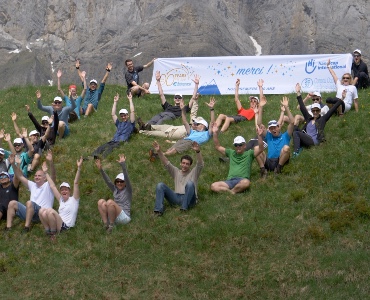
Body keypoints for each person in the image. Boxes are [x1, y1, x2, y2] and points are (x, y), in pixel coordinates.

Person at [6, 150, 56, 232]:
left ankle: (27, 227)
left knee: (29, 203)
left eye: (39, 176)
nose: (36, 177)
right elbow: (19, 176)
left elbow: (53, 175)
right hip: (30, 211)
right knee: (12, 203)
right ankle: (8, 227)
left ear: (45, 178)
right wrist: (12, 164)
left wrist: (51, 162)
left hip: (41, 214)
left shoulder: (48, 185)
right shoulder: (32, 185)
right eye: (35, 176)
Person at [292, 83, 346, 157]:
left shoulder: (322, 119)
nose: (315, 112)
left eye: (317, 110)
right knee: (295, 130)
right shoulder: (308, 118)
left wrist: (342, 98)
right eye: (313, 110)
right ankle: (300, 146)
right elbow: (301, 106)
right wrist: (298, 92)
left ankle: (296, 151)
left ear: (320, 111)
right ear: (311, 110)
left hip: (313, 141)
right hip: (306, 137)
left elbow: (333, 109)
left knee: (296, 133)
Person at [153, 140, 204, 216]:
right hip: (176, 197)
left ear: (190, 165)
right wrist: (159, 151)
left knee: (190, 183)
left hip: (190, 199)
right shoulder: (176, 172)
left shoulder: (194, 173)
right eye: (183, 163)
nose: (185, 165)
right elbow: (166, 163)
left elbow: (200, 164)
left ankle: (184, 208)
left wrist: (198, 151)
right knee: (160, 185)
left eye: (187, 164)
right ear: (180, 163)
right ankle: (158, 210)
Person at [210, 123, 265, 194]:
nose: (238, 146)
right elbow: (217, 146)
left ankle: (231, 192)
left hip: (242, 180)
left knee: (246, 183)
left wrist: (259, 136)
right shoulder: (231, 153)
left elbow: (261, 149)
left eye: (240, 144)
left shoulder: (249, 154)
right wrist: (214, 133)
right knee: (213, 186)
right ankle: (232, 192)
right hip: (230, 181)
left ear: (245, 145)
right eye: (236, 145)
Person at [38, 157, 82, 241]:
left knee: (50, 211)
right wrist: (45, 172)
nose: (64, 191)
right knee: (41, 211)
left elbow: (76, 183)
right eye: (62, 189)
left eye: (66, 189)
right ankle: (48, 231)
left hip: (66, 226)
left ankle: (53, 234)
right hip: (58, 223)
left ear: (69, 191)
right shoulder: (61, 199)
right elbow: (52, 186)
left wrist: (79, 168)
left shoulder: (74, 200)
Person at [95, 154, 132, 233]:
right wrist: (101, 170)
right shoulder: (115, 189)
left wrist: (123, 165)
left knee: (110, 202)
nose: (119, 183)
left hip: (124, 217)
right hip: (115, 215)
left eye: (121, 181)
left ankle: (111, 226)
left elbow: (127, 177)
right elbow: (108, 181)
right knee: (100, 201)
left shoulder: (128, 190)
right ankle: (106, 224)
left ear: (125, 183)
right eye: (117, 181)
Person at [92, 93, 135, 158]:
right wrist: (115, 102)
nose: (123, 117)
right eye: (122, 116)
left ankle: (102, 158)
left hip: (121, 142)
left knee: (111, 148)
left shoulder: (131, 124)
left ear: (128, 115)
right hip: (113, 141)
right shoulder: (119, 124)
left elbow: (132, 111)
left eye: (125, 115)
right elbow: (113, 114)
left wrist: (130, 100)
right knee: (102, 147)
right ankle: (91, 157)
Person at [260, 97, 294, 174]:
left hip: (280, 160)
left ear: (279, 127)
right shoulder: (268, 136)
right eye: (271, 128)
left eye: (275, 127)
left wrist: (286, 107)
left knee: (286, 148)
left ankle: (278, 169)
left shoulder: (286, 135)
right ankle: (263, 170)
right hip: (269, 161)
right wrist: (261, 107)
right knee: (257, 150)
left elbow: (292, 122)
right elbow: (259, 124)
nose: (273, 130)